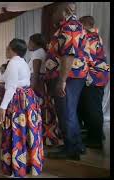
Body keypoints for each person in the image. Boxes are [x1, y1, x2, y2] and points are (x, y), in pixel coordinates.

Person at [45, 2, 89, 160]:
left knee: (66, 112)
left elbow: (69, 55)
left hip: (69, 77)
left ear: (63, 11)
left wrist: (62, 80)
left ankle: (71, 149)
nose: (52, 15)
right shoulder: (68, 26)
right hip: (70, 76)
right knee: (69, 111)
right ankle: (75, 144)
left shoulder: (70, 26)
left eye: (54, 12)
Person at [0, 38, 43, 177]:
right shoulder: (23, 62)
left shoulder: (13, 62)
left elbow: (11, 87)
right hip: (27, 98)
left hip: (18, 100)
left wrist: (3, 107)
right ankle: (28, 164)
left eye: (7, 47)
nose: (6, 49)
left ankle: (16, 168)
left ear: (12, 49)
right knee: (26, 131)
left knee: (16, 132)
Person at [77, 16, 110, 149]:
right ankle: (95, 134)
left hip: (95, 77)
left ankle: (95, 140)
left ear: (85, 24)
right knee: (90, 107)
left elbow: (85, 58)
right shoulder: (94, 36)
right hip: (97, 76)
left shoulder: (90, 38)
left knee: (93, 109)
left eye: (80, 24)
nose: (78, 27)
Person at [28, 33, 61, 146]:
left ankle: (42, 137)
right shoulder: (42, 51)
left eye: (30, 42)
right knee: (45, 110)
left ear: (35, 43)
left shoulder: (37, 53)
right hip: (42, 83)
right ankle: (48, 137)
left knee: (39, 111)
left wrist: (31, 90)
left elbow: (36, 73)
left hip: (37, 84)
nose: (28, 45)